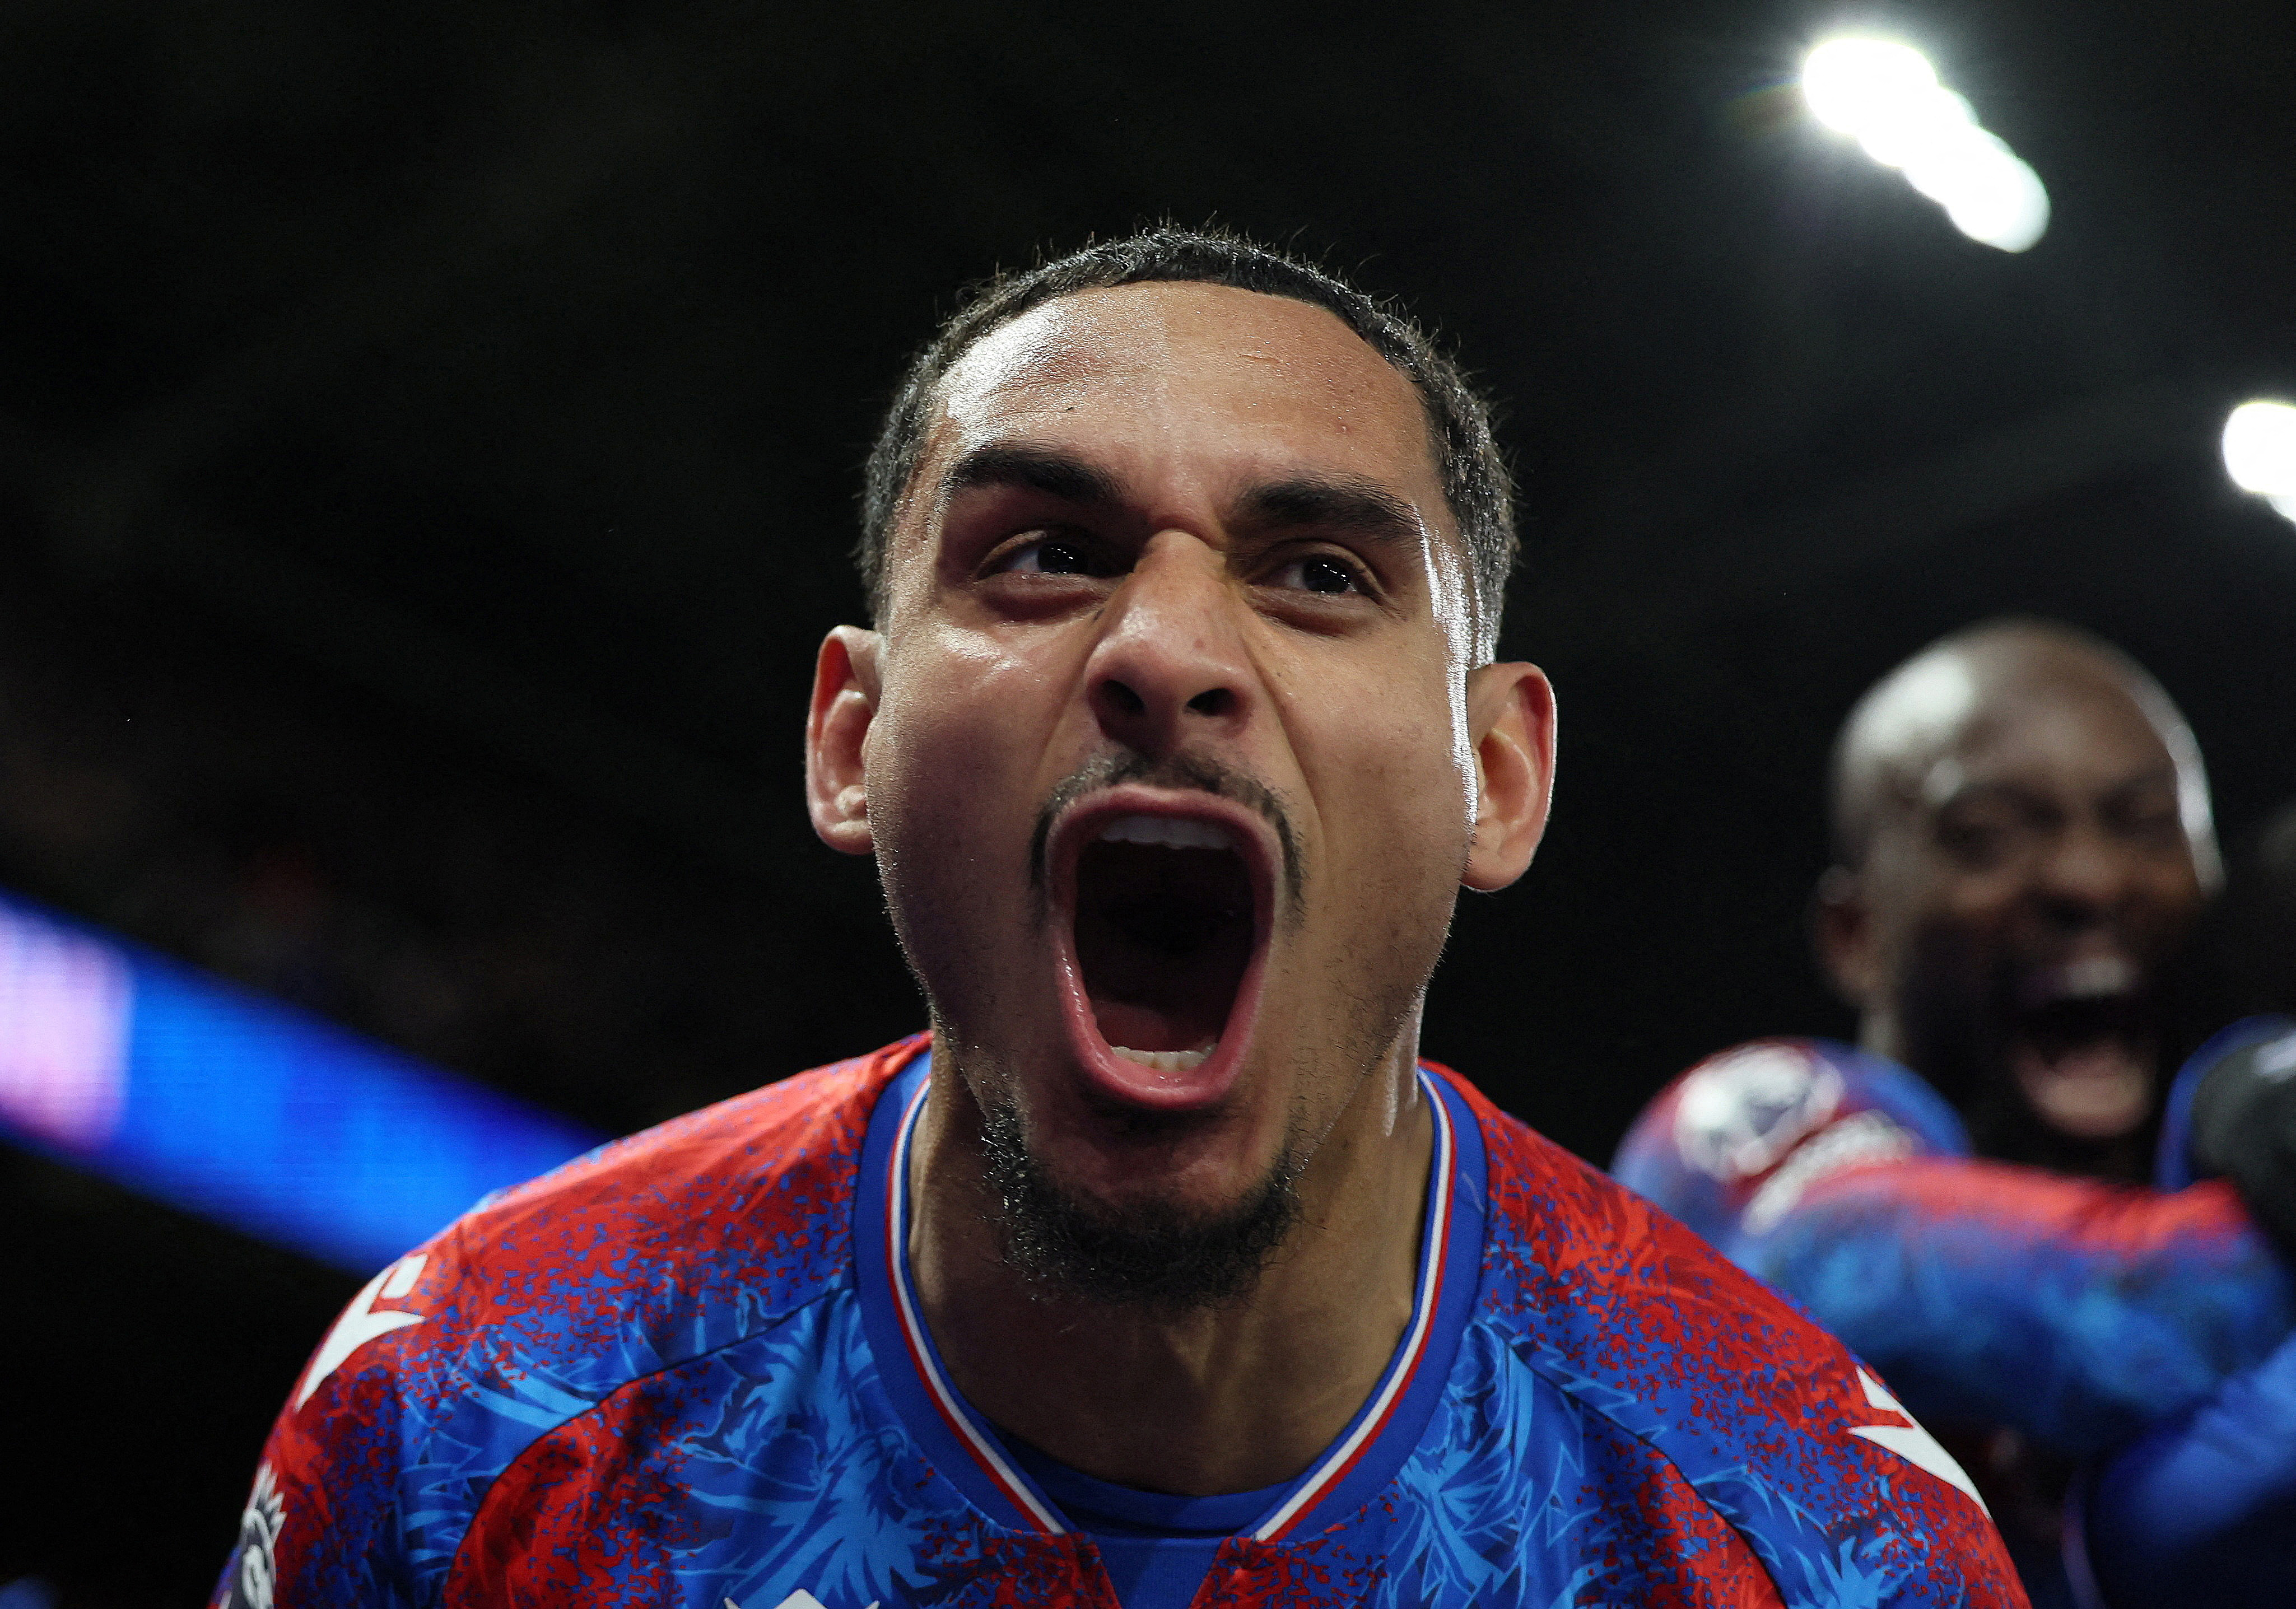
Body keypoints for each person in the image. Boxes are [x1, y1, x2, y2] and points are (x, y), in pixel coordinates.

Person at [214, 228, 2018, 1608]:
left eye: (1318, 575)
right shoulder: (467, 1419)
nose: (1163, 651)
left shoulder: (1825, 1547)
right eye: (1045, 554)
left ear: (1495, 773)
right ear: (852, 742)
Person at [1613, 621, 2295, 1603]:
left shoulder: (2236, 1154)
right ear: (1858, 935)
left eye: (2147, 825)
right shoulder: (1748, 1134)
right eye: (1987, 836)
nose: (2090, 881)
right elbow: (2122, 1317)